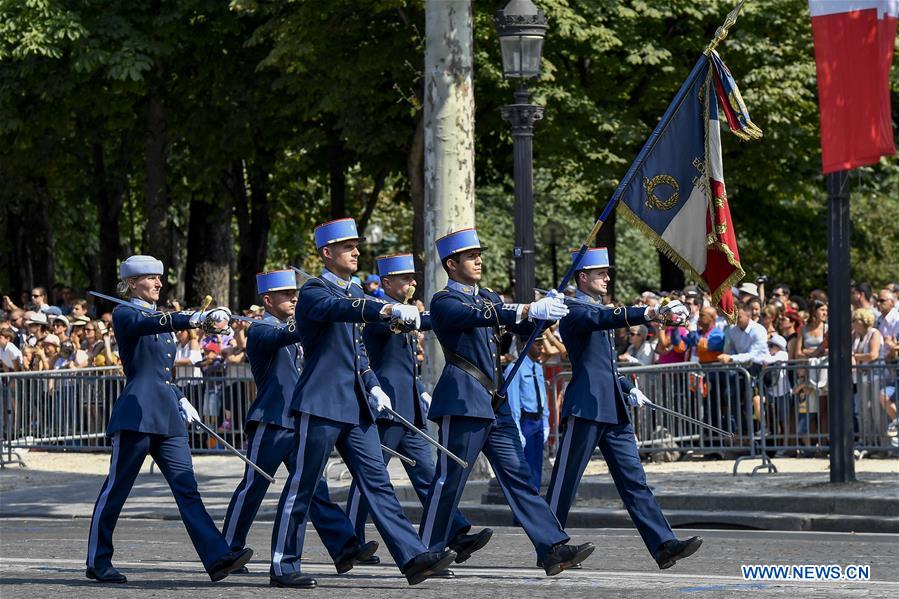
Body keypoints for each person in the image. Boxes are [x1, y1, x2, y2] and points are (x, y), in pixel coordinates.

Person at [269, 219, 456, 588]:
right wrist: (384, 310)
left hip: (356, 406)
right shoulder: (315, 291)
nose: (356, 252)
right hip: (321, 403)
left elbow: (357, 354)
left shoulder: (352, 291)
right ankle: (283, 563)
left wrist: (372, 385)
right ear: (326, 253)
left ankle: (412, 556)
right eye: (347, 247)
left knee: (379, 483)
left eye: (356, 246)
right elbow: (344, 310)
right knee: (303, 486)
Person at [420, 228, 594, 576]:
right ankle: (426, 551)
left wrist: (542, 315)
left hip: (494, 404)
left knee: (518, 476)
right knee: (450, 479)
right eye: (471, 256)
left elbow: (518, 330)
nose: (480, 260)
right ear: (452, 264)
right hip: (464, 401)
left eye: (479, 254)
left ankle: (551, 548)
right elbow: (476, 317)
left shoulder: (488, 297)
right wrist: (526, 307)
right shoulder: (444, 301)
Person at [85, 255, 252, 584]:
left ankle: (217, 557)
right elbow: (149, 327)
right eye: (150, 278)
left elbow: (161, 374)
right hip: (137, 415)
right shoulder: (126, 313)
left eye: (159, 278)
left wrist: (180, 397)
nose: (159, 283)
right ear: (132, 283)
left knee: (188, 489)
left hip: (167, 416)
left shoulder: (160, 321)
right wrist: (191, 318)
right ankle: (97, 560)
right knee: (116, 490)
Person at [545, 247, 701, 571]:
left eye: (607, 272)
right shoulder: (575, 309)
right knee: (565, 481)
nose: (607, 277)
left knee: (635, 481)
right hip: (586, 406)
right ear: (583, 277)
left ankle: (663, 544)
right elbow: (603, 319)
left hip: (612, 407)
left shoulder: (599, 308)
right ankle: (550, 546)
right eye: (600, 273)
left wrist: (629, 388)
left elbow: (607, 366)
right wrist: (647, 312)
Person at [222, 269, 379, 585]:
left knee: (315, 489)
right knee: (253, 486)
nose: (294, 298)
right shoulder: (261, 329)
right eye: (285, 295)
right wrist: (313, 318)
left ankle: (344, 546)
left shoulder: (294, 329)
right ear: (268, 300)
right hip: (271, 421)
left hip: (299, 418)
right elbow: (284, 335)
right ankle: (225, 549)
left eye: (295, 294)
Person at [345, 254, 482, 575]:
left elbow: (408, 358)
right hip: (385, 411)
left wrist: (419, 387)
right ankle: (351, 540)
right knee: (370, 478)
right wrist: (402, 316)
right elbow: (382, 334)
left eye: (413, 278)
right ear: (387, 282)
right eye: (404, 278)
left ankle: (454, 533)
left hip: (409, 410)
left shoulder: (409, 312)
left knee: (428, 475)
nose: (412, 283)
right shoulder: (380, 312)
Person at [503, 338, 550, 491]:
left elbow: (542, 396)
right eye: (537, 343)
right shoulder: (515, 368)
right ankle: (526, 502)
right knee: (525, 467)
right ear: (525, 345)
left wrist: (546, 421)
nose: (541, 347)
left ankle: (534, 498)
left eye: (542, 343)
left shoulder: (537, 367)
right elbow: (513, 401)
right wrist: (516, 428)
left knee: (537, 466)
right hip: (525, 421)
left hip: (538, 421)